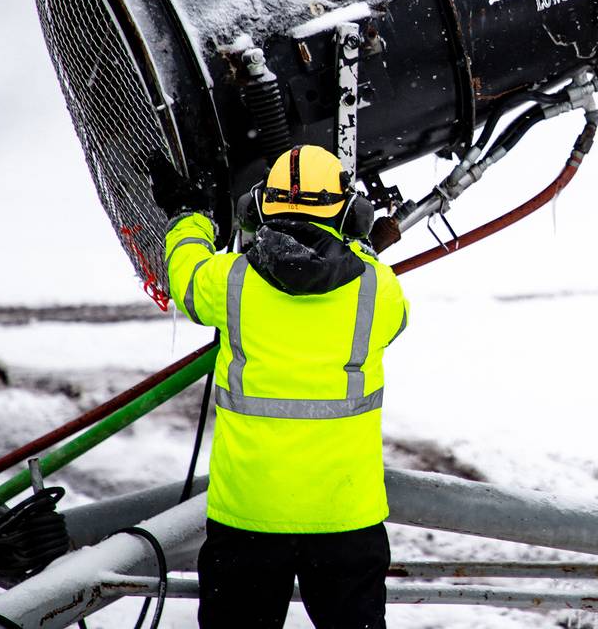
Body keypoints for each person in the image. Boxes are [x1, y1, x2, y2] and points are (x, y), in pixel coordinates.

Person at [149, 144, 408, 629]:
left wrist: (188, 216)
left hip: (248, 517)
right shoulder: (379, 288)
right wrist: (360, 249)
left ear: (258, 206)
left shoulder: (227, 282)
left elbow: (184, 272)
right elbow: (392, 321)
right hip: (344, 517)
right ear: (351, 212)